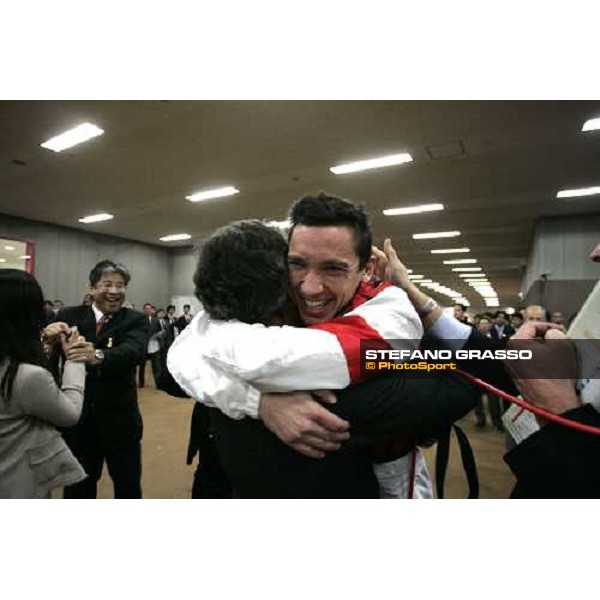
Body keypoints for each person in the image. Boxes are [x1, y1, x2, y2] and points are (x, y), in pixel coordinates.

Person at [169, 199, 441, 498]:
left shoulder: (385, 323)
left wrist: (253, 398)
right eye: (296, 264)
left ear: (367, 269)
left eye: (333, 269)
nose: (310, 287)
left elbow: (455, 377)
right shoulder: (244, 329)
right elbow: (185, 354)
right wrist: (259, 403)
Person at [43, 260, 149, 498]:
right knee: (78, 490)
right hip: (80, 424)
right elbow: (46, 363)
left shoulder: (135, 320)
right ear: (91, 289)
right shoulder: (68, 315)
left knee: (128, 488)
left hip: (121, 423)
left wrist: (97, 355)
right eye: (107, 284)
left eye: (120, 286)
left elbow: (133, 352)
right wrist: (47, 342)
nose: (114, 291)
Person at [0, 270, 87, 498]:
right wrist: (74, 359)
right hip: (17, 484)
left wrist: (42, 342)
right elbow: (70, 414)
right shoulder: (27, 377)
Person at [138, 303, 163, 388]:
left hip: (154, 346)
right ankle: (141, 383)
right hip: (143, 347)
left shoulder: (155, 320)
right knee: (142, 366)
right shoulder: (139, 320)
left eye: (149, 308)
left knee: (156, 366)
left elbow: (160, 331)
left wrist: (159, 335)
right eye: (146, 309)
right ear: (143, 310)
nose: (148, 310)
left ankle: (158, 383)